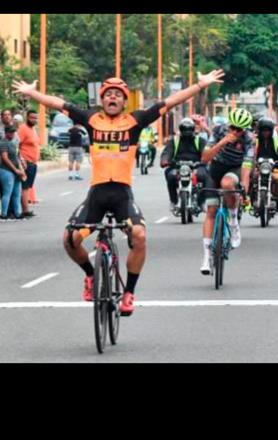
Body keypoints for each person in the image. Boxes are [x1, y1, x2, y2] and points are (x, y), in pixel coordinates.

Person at [12, 68, 225, 316]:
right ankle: (91, 277)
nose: (112, 98)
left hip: (122, 193)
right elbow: (58, 104)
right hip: (97, 194)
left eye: (117, 95)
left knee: (139, 236)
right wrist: (32, 92)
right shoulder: (90, 119)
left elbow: (169, 102)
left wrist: (199, 86)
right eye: (108, 94)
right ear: (102, 100)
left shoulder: (135, 120)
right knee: (70, 239)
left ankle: (129, 293)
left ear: (125, 101)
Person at [199, 107, 255, 275]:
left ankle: (233, 219)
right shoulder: (218, 131)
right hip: (216, 167)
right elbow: (205, 157)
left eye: (239, 130)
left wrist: (244, 187)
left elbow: (246, 166)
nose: (235, 132)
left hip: (235, 168)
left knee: (227, 183)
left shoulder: (249, 139)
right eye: (233, 127)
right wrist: (223, 141)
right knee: (211, 210)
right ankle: (206, 256)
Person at [160, 117, 208, 214]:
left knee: (204, 175)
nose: (187, 132)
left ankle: (201, 201)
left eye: (189, 129)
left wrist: (205, 160)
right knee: (170, 175)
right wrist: (165, 160)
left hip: (196, 166)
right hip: (177, 166)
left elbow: (206, 153)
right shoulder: (174, 141)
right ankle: (173, 200)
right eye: (184, 130)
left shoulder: (200, 140)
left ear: (193, 129)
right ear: (180, 130)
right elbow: (167, 152)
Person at [253, 117, 278, 215]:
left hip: (274, 167)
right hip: (258, 167)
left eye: (268, 130)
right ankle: (250, 199)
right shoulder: (254, 141)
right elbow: (249, 153)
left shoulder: (277, 142)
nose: (266, 132)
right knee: (251, 178)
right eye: (263, 130)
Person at [0, 124, 27, 222]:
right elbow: (5, 158)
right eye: (10, 132)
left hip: (16, 170)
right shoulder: (3, 142)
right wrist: (15, 169)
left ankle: (17, 212)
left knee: (17, 193)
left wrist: (21, 169)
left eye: (13, 132)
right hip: (6, 170)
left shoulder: (13, 143)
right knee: (7, 192)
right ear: (6, 133)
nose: (12, 134)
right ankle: (4, 214)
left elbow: (16, 157)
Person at [18, 110, 41, 218]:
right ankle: (25, 210)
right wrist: (21, 159)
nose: (34, 120)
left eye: (35, 118)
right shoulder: (23, 129)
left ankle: (25, 209)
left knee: (27, 187)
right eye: (32, 117)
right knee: (25, 187)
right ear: (27, 117)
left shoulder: (33, 129)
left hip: (33, 162)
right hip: (26, 163)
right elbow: (17, 144)